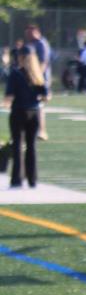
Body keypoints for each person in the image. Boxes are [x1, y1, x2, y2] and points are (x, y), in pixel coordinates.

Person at [4, 46, 47, 189]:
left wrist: (5, 103)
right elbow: (46, 96)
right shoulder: (38, 73)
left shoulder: (15, 73)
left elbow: (9, 97)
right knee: (31, 147)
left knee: (17, 146)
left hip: (18, 112)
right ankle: (32, 180)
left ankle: (17, 179)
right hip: (34, 113)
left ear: (21, 57)